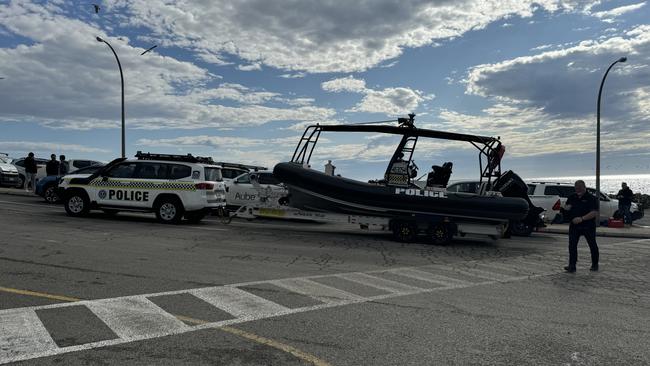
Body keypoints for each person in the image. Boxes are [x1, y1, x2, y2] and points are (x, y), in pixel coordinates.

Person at [561, 180, 599, 273]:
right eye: (576, 188)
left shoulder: (591, 198)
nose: (577, 190)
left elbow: (594, 212)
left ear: (584, 187)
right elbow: (567, 209)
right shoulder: (572, 197)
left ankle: (595, 264)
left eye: (579, 188)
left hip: (588, 225)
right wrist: (565, 210)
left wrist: (582, 218)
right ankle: (572, 266)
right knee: (572, 246)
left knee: (592, 245)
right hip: (574, 225)